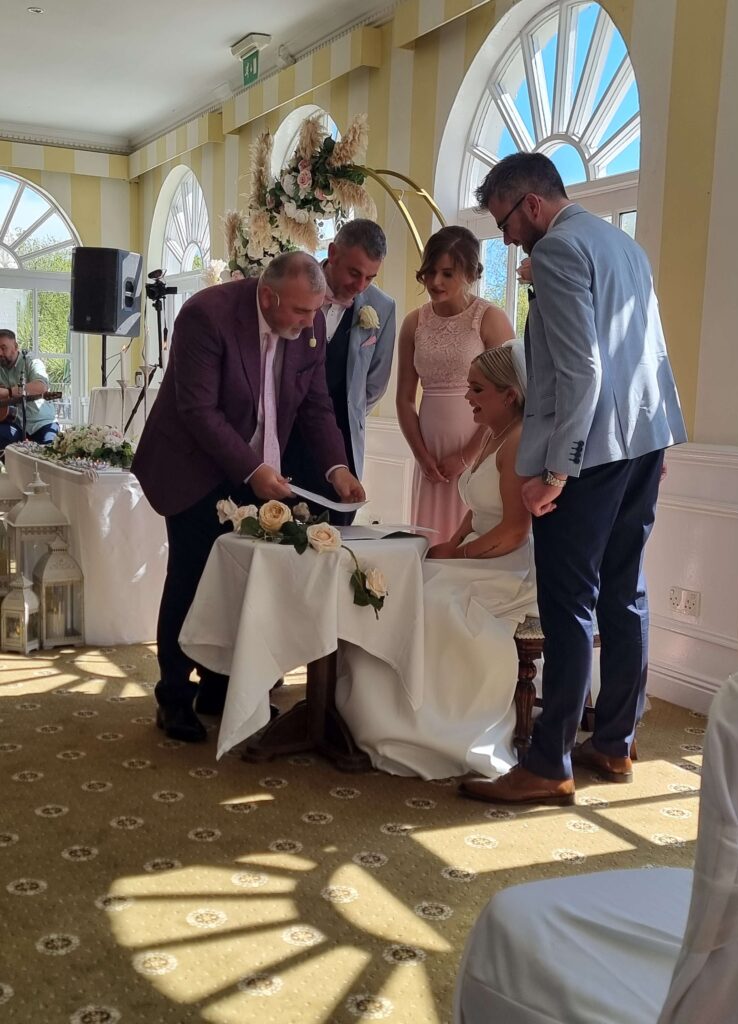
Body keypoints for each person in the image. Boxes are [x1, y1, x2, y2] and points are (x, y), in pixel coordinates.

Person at [461, 152, 687, 807]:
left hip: (585, 453)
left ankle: (548, 759)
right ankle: (615, 742)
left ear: (532, 204)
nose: (504, 238)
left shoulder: (559, 252)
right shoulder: (623, 244)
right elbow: (648, 348)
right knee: (624, 591)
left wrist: (557, 470)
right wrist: (654, 441)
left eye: (504, 221)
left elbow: (583, 370)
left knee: (568, 604)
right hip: (642, 439)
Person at [133, 251, 365, 743]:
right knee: (193, 576)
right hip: (193, 465)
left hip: (255, 468)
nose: (309, 324)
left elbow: (317, 405)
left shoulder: (311, 326)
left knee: (244, 578)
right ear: (267, 296)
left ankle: (221, 685)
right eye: (301, 312)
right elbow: (197, 410)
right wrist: (252, 469)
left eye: (314, 312)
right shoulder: (206, 316)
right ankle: (173, 695)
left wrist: (338, 468)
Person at [337, 343, 536, 779]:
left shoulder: (520, 442)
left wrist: (457, 554)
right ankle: (355, 709)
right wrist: (454, 539)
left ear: (509, 394)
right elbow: (478, 507)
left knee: (430, 601)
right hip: (481, 552)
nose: (468, 397)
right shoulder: (493, 433)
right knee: (400, 585)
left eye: (477, 389)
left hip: (511, 566)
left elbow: (514, 530)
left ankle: (418, 722)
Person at [396, 226, 514, 544]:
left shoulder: (489, 319)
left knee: (469, 537)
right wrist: (421, 456)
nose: (435, 282)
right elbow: (405, 399)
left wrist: (467, 456)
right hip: (428, 452)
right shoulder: (413, 323)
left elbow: (510, 399)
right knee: (429, 540)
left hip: (480, 446)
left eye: (447, 273)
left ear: (470, 272)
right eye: (431, 271)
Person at [282, 219, 396, 525]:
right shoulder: (295, 288)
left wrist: (347, 412)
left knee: (334, 540)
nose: (360, 286)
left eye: (370, 278)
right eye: (354, 272)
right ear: (332, 253)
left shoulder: (382, 308)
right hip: (283, 437)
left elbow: (375, 383)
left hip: (341, 447)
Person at [0, 329, 59, 450]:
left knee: (48, 452)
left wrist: (8, 392)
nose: (0, 353)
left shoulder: (32, 362)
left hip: (42, 423)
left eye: (3, 348)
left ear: (15, 347)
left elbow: (41, 386)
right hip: (15, 423)